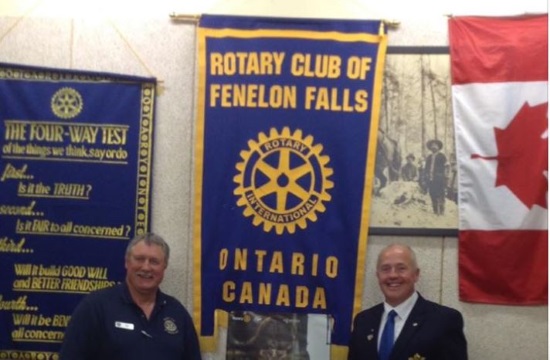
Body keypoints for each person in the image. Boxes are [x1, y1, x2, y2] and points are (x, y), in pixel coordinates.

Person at [59, 233, 202, 360]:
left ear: (164, 267)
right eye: (139, 259)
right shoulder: (95, 307)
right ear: (127, 262)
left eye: (154, 261)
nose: (146, 267)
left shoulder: (178, 314)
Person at [348, 244, 468, 360]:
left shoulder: (444, 321)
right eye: (385, 269)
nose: (393, 275)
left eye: (401, 268)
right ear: (378, 275)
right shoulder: (363, 321)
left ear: (416, 274)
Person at [424, 139, 448, 215]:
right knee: (432, 194)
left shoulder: (442, 156)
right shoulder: (429, 157)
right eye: (432, 145)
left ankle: (441, 211)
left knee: (440, 194)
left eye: (435, 145)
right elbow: (426, 168)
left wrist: (444, 177)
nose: (433, 147)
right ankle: (435, 211)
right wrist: (426, 176)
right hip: (431, 179)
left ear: (438, 147)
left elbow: (446, 167)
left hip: (439, 179)